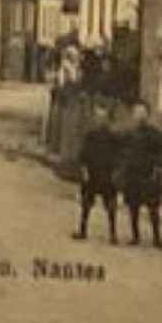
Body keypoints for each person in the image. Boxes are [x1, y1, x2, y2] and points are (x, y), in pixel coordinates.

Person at [120, 101, 162, 248]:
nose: (139, 116)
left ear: (147, 115)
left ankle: (157, 238)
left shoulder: (155, 134)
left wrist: (158, 169)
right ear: (133, 115)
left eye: (142, 113)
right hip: (133, 174)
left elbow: (161, 154)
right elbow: (122, 153)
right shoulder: (129, 134)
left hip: (149, 174)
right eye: (136, 113)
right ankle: (135, 237)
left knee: (153, 207)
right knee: (133, 207)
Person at [72, 104, 120, 243]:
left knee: (111, 206)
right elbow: (83, 155)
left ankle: (112, 234)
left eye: (103, 117)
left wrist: (116, 173)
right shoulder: (90, 136)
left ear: (107, 120)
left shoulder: (112, 137)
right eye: (98, 117)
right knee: (86, 203)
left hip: (107, 174)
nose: (100, 120)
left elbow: (117, 156)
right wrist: (85, 171)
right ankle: (82, 230)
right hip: (92, 174)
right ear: (95, 119)